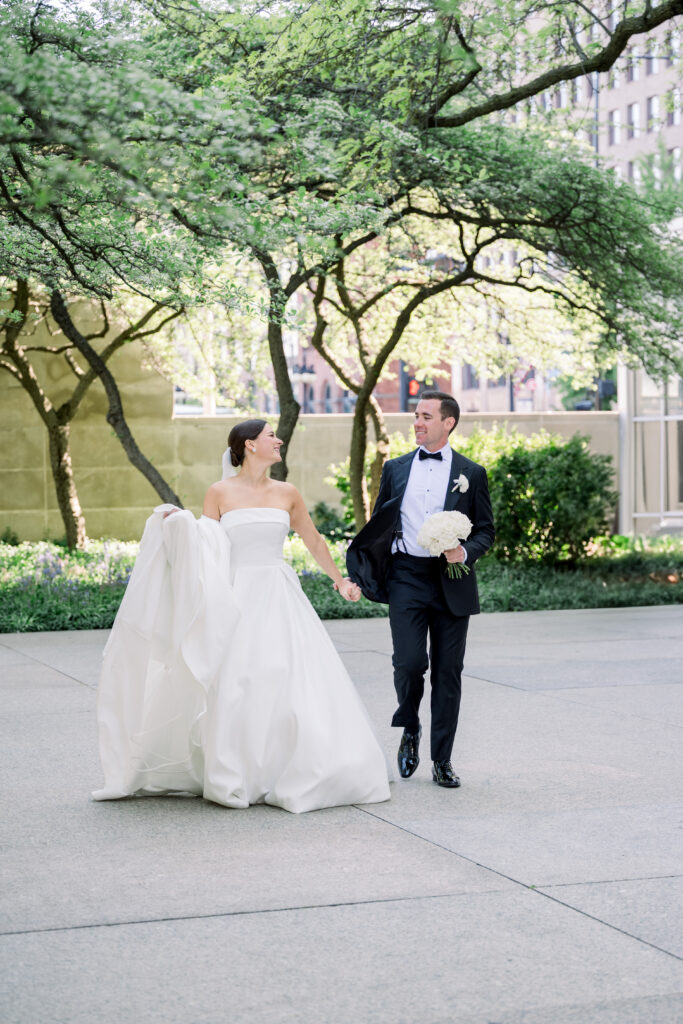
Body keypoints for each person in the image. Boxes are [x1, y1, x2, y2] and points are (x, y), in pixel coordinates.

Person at [93, 418, 390, 813]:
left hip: (278, 594)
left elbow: (313, 539)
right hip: (235, 596)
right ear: (249, 445)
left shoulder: (288, 493)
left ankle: (289, 767)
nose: (278, 440)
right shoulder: (219, 492)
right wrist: (179, 524)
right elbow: (206, 545)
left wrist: (340, 581)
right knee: (237, 680)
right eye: (271, 436)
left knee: (287, 676)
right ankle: (238, 772)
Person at [346, 391, 495, 788]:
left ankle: (442, 759)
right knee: (409, 663)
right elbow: (379, 524)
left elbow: (486, 530)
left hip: (452, 581)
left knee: (449, 673)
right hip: (407, 577)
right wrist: (361, 575)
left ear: (448, 422)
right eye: (416, 416)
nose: (417, 422)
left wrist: (464, 551)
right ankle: (409, 725)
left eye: (426, 416)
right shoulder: (395, 469)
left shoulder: (472, 473)